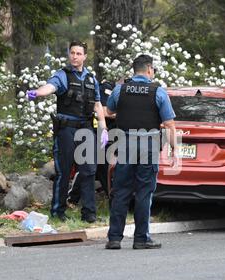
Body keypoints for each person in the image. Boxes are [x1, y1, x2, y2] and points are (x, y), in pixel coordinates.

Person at [27, 41, 108, 223]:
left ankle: (89, 214)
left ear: (85, 56)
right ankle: (58, 212)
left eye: (79, 53)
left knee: (88, 171)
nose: (75, 56)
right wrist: (38, 93)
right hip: (66, 130)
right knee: (63, 172)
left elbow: (97, 105)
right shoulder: (63, 75)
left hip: (86, 129)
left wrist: (103, 128)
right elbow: (51, 87)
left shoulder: (91, 79)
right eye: (72, 53)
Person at [104, 54, 178, 250]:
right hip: (148, 145)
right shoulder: (158, 92)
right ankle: (141, 238)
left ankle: (114, 238)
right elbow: (169, 124)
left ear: (134, 70)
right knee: (144, 192)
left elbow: (109, 112)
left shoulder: (120, 89)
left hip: (126, 143)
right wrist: (174, 149)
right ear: (149, 70)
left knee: (121, 191)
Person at [67, 80, 115, 206]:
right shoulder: (107, 88)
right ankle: (72, 198)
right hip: (97, 133)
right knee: (89, 167)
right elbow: (104, 111)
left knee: (101, 167)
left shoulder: (122, 90)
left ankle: (112, 200)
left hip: (110, 135)